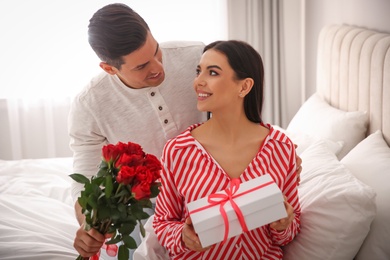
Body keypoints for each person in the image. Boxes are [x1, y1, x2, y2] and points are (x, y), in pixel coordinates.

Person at [69, 3, 302, 259]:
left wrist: (276, 155)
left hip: (206, 189)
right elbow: (86, 180)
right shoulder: (89, 104)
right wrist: (88, 227)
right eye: (141, 66)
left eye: (156, 51)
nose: (157, 67)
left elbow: (237, 106)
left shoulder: (195, 56)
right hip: (147, 202)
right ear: (110, 68)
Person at [152, 40, 301, 259]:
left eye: (212, 73)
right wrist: (183, 236)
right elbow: (163, 223)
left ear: (244, 86)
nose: (198, 82)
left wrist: (284, 224)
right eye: (198, 71)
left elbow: (291, 229)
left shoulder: (281, 148)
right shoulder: (178, 151)